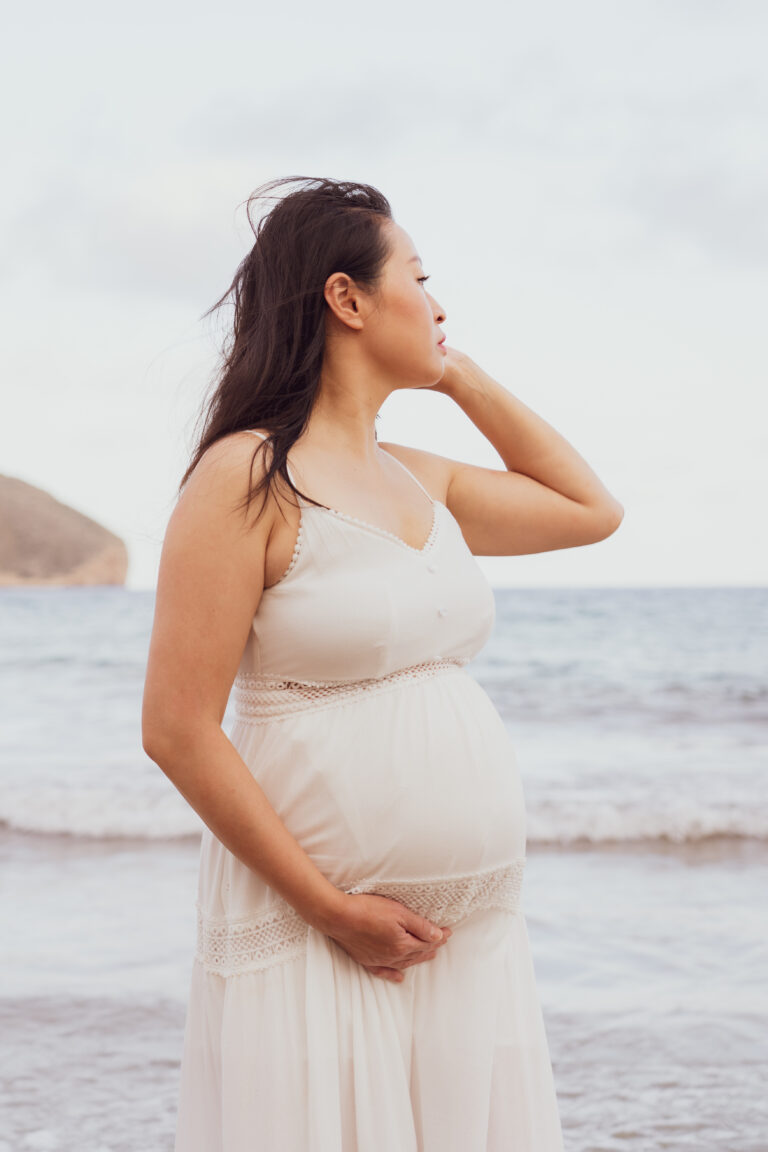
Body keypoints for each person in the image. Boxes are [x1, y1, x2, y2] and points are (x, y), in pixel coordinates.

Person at [142, 175, 623, 1152]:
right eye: (421, 277)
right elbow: (176, 728)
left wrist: (458, 374)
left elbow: (590, 510)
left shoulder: (423, 476)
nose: (441, 303)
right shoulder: (246, 477)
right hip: (321, 936)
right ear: (345, 298)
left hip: (472, 944)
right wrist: (329, 908)